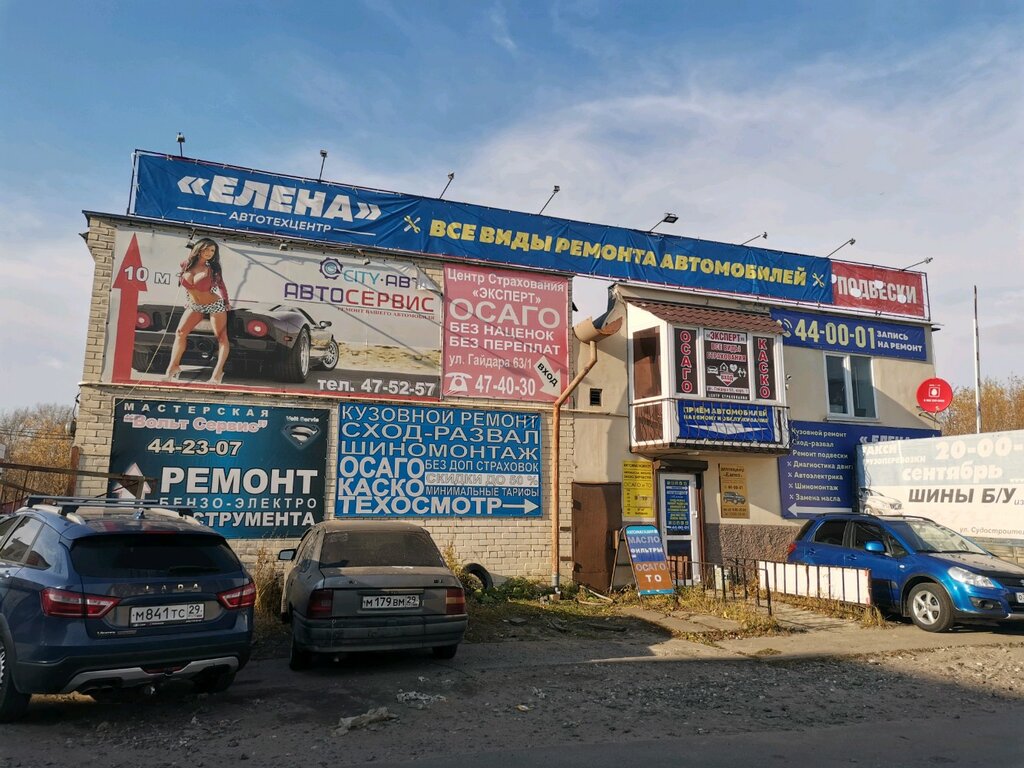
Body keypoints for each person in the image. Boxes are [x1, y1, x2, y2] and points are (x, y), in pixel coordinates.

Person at [164, 238, 231, 384]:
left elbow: (221, 285)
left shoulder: (213, 268)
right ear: (199, 249)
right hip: (195, 306)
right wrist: (189, 300)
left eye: (212, 251)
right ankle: (172, 367)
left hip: (214, 304)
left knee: (221, 338)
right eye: (206, 249)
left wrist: (226, 302)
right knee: (180, 333)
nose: (209, 253)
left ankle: (217, 373)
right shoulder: (185, 264)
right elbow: (188, 286)